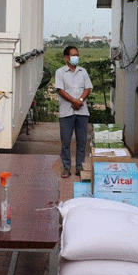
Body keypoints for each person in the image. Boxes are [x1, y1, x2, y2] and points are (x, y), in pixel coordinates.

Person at [54, 46, 93, 179]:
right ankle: (66, 168)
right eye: (73, 55)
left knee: (82, 142)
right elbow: (60, 90)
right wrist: (73, 101)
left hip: (82, 112)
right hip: (66, 112)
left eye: (77, 55)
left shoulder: (83, 72)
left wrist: (80, 100)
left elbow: (88, 88)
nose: (76, 57)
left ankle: (79, 167)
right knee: (66, 142)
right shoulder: (60, 72)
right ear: (66, 57)